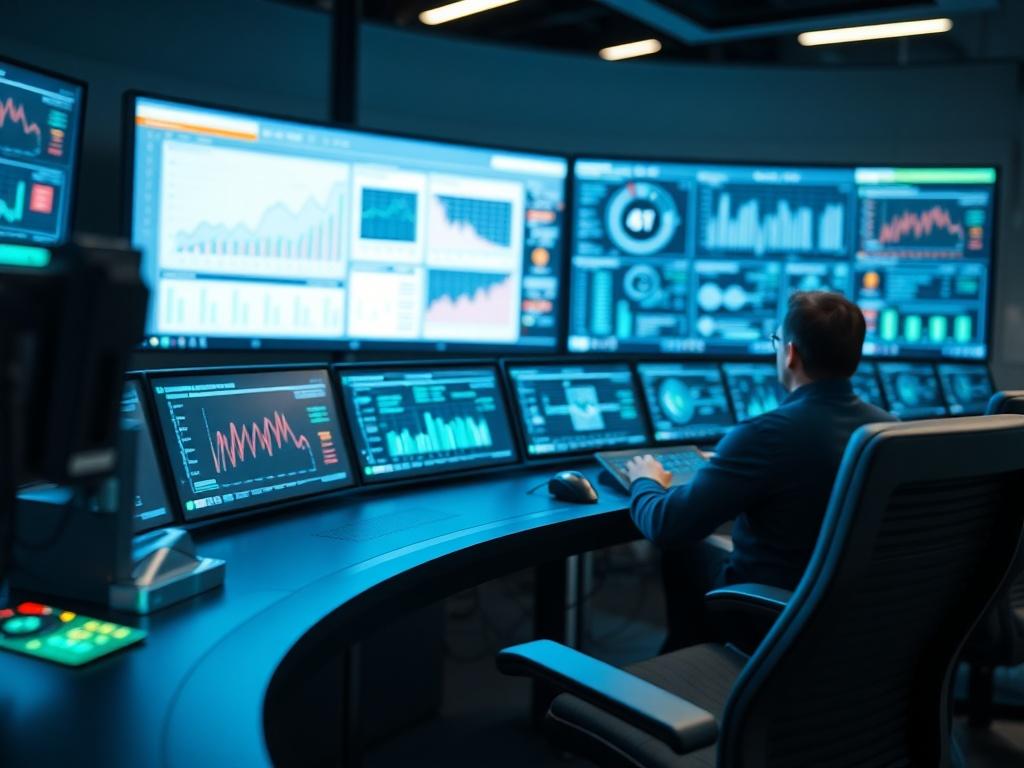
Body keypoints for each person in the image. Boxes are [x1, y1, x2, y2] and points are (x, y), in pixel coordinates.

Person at [625, 291, 895, 651]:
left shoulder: (764, 434)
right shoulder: (887, 430)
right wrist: (726, 467)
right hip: (850, 622)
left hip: (771, 619)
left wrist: (645, 479)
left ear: (790, 353)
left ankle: (686, 680)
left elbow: (666, 525)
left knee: (685, 547)